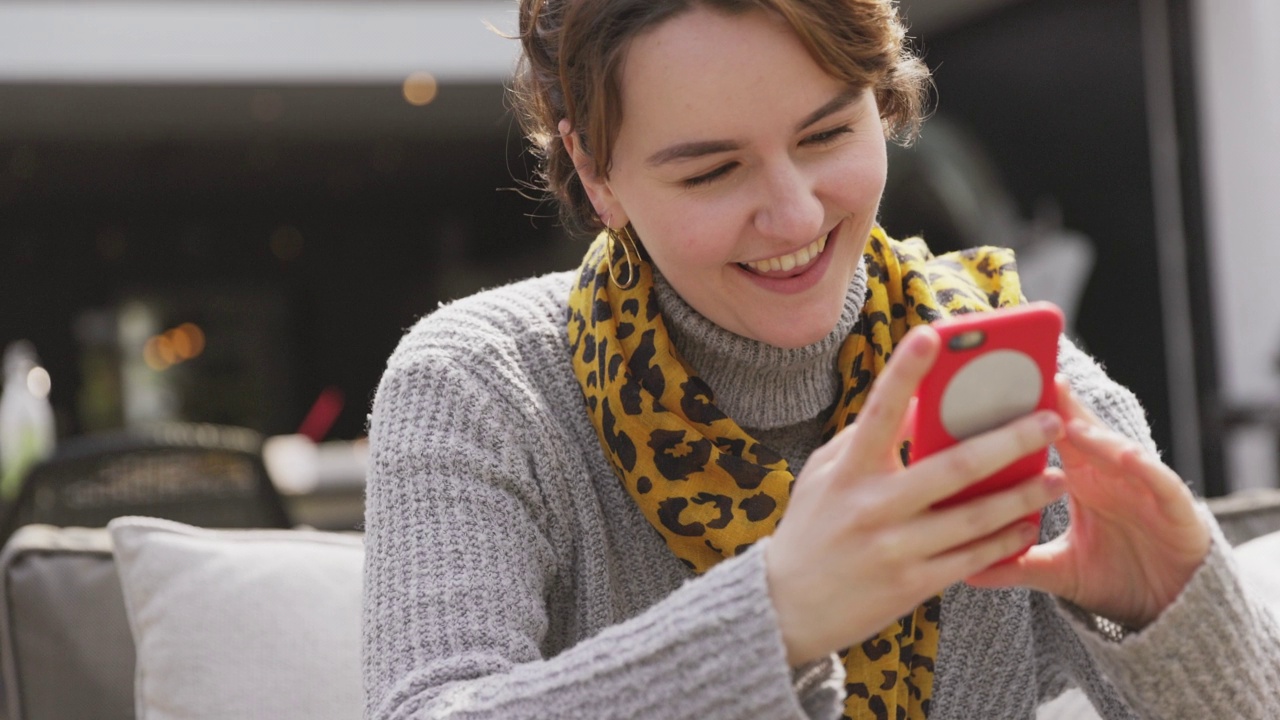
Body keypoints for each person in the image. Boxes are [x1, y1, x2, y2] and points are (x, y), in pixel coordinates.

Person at [361, 1, 1280, 718]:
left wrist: (1176, 614)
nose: (796, 218)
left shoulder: (1008, 375)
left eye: (827, 134)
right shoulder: (480, 388)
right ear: (597, 173)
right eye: (711, 171)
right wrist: (777, 614)